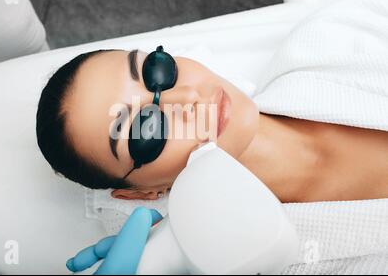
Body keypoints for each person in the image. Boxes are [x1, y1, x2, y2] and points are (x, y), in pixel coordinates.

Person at [36, 47, 388, 203]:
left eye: (155, 71)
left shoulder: (335, 39)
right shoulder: (271, 260)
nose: (187, 97)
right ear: (141, 193)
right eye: (144, 129)